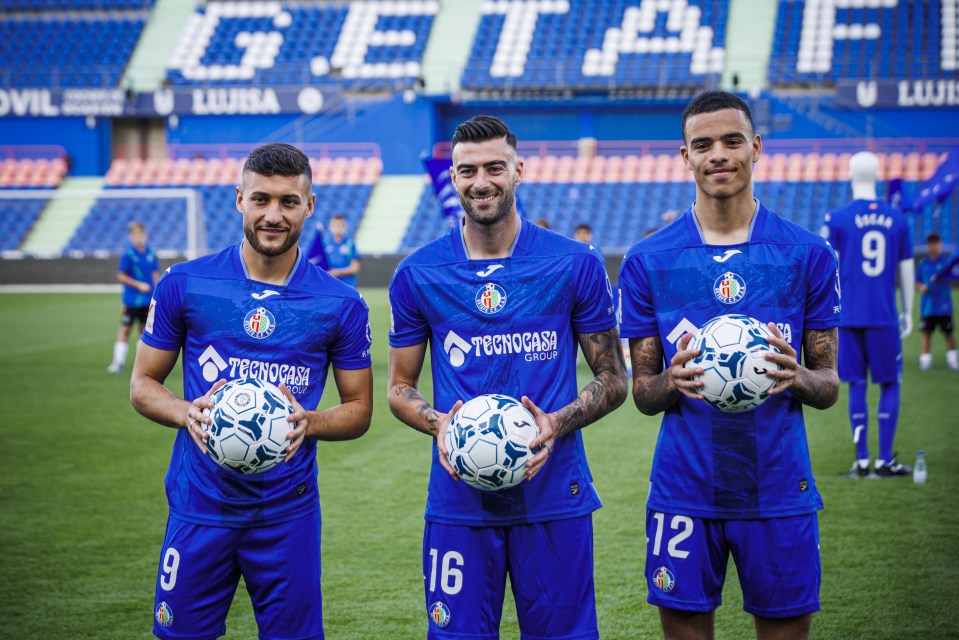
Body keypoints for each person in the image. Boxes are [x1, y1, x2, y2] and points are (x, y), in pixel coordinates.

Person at [387, 115, 628, 640]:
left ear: (518, 170)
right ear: (453, 178)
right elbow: (399, 389)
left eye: (495, 168)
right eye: (467, 170)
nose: (482, 182)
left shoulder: (574, 264)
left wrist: (557, 422)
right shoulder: (418, 274)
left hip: (555, 497)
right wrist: (439, 425)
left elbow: (614, 377)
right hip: (458, 502)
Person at [618, 91, 841, 640]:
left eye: (732, 141)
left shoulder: (808, 255)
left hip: (780, 486)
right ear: (685, 157)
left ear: (756, 148)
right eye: (703, 145)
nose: (718, 154)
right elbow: (643, 394)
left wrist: (799, 377)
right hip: (685, 488)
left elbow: (829, 385)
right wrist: (671, 379)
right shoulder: (647, 261)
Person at [129, 143, 374, 640]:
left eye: (288, 201)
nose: (273, 215)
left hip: (287, 512)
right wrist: (185, 413)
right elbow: (142, 384)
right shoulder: (184, 283)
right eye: (261, 199)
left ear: (310, 205)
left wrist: (311, 422)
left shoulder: (341, 303)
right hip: (199, 506)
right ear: (239, 199)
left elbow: (360, 409)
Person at [824, 150, 914, 477]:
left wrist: (827, 312)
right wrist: (908, 312)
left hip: (848, 317)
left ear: (851, 175)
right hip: (884, 316)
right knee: (890, 384)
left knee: (856, 385)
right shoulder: (898, 218)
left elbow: (827, 270)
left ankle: (862, 460)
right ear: (877, 175)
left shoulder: (836, 218)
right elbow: (906, 268)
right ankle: (884, 459)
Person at [107, 220, 159, 373]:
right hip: (132, 301)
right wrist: (139, 285)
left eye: (142, 233)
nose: (140, 236)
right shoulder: (129, 255)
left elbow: (155, 274)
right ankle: (118, 363)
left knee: (143, 332)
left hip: (148, 300)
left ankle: (141, 365)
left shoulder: (150, 253)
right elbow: (121, 276)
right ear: (131, 236)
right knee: (125, 329)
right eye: (136, 233)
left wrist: (158, 291)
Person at [916, 232, 958, 371]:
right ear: (928, 245)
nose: (934, 246)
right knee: (926, 333)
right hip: (928, 306)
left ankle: (953, 359)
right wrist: (921, 287)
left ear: (940, 245)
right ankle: (925, 360)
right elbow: (917, 281)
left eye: (937, 243)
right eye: (931, 244)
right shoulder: (923, 264)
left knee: (948, 333)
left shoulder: (946, 263)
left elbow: (953, 274)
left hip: (944, 306)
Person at [322, 214, 361, 287]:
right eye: (335, 225)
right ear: (330, 227)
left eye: (340, 225)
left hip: (348, 286)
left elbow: (355, 268)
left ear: (344, 227)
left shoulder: (350, 244)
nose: (337, 228)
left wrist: (336, 272)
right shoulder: (325, 244)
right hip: (331, 285)